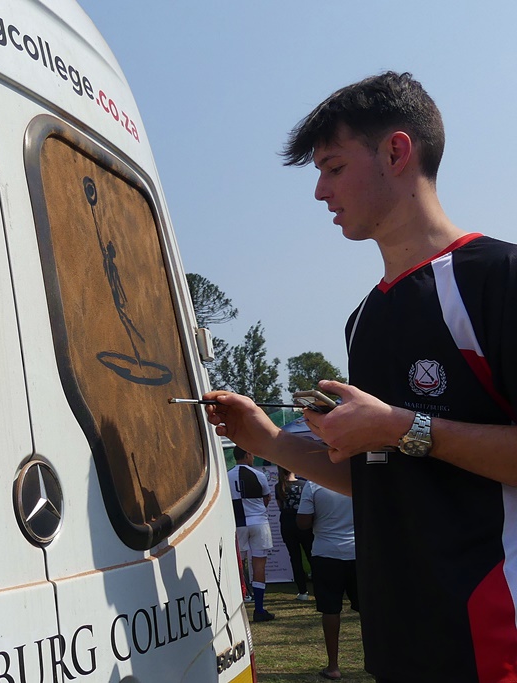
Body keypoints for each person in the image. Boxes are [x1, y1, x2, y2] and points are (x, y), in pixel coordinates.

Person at [203, 71, 517, 682]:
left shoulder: (494, 279)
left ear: (397, 152)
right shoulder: (365, 318)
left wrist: (402, 426)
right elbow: (379, 479)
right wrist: (268, 439)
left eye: (333, 166)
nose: (320, 190)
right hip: (398, 641)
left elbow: (402, 439)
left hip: (492, 643)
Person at [297, 480, 358, 681]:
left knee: (330, 610)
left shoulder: (314, 485)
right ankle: (374, 660)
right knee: (368, 610)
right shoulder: (357, 479)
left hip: (326, 553)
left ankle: (333, 665)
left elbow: (303, 522)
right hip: (357, 552)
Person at [227, 446, 275, 622]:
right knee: (259, 564)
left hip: (238, 524)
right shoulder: (259, 475)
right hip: (259, 523)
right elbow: (267, 498)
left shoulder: (227, 475)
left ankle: (237, 608)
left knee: (238, 565)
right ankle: (259, 608)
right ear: (247, 455)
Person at [275, 467, 313, 600]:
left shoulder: (279, 487)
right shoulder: (304, 485)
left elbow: (280, 506)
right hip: (303, 523)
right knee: (311, 555)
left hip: (287, 524)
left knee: (295, 558)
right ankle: (319, 588)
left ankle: (302, 592)